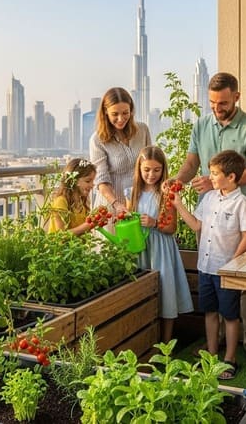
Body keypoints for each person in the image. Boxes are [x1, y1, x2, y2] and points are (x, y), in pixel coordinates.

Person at [164, 72, 246, 370]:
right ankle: (218, 346)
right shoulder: (201, 125)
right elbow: (191, 162)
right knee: (212, 280)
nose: (216, 108)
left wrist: (216, 183)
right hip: (208, 215)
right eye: (212, 102)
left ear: (236, 96)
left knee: (243, 285)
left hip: (236, 218)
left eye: (222, 102)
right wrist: (178, 181)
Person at [170, 149, 246, 380]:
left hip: (225, 270)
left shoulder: (242, 204)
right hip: (205, 266)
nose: (211, 176)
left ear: (231, 177)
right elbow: (197, 225)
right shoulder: (208, 198)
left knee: (229, 315)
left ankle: (229, 359)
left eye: (216, 173)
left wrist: (233, 263)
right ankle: (211, 354)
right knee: (209, 312)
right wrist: (178, 205)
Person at [125, 146, 194, 343]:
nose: (151, 174)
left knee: (166, 295)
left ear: (163, 169)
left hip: (161, 249)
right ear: (139, 169)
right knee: (142, 295)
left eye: (156, 170)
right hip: (140, 249)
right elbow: (127, 223)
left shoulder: (166, 193)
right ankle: (146, 341)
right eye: (146, 170)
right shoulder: (132, 193)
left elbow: (172, 227)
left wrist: (154, 223)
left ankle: (165, 343)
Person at [89, 87, 152, 218]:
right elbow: (101, 181)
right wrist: (117, 205)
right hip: (111, 208)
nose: (121, 118)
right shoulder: (97, 140)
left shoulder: (143, 130)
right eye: (115, 114)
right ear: (105, 112)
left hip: (140, 204)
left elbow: (150, 163)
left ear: (131, 110)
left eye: (125, 113)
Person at [46, 158, 97, 235]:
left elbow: (83, 230)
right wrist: (87, 226)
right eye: (88, 181)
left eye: (93, 181)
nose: (92, 185)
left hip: (77, 246)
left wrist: (96, 221)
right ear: (74, 180)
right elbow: (60, 236)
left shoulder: (82, 202)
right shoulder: (61, 201)